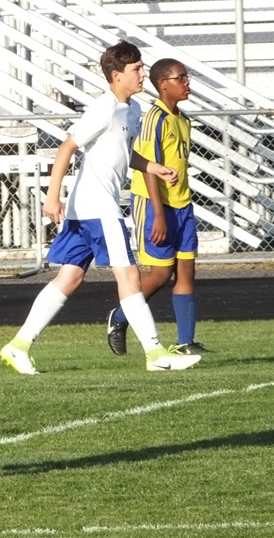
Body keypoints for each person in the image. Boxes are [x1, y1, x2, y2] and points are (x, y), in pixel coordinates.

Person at [0, 41, 202, 373]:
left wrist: (153, 167)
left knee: (70, 277)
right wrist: (52, 197)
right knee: (129, 275)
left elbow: (125, 153)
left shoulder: (132, 110)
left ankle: (18, 345)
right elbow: (66, 147)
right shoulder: (104, 109)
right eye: (136, 69)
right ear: (116, 75)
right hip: (98, 207)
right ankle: (155, 354)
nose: (142, 74)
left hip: (85, 208)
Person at [106, 58, 207, 357]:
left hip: (181, 203)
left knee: (186, 271)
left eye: (187, 77)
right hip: (154, 205)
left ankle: (186, 342)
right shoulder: (155, 118)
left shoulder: (182, 119)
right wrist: (159, 215)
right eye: (181, 78)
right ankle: (120, 317)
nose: (187, 83)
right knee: (161, 274)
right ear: (163, 84)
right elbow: (148, 167)